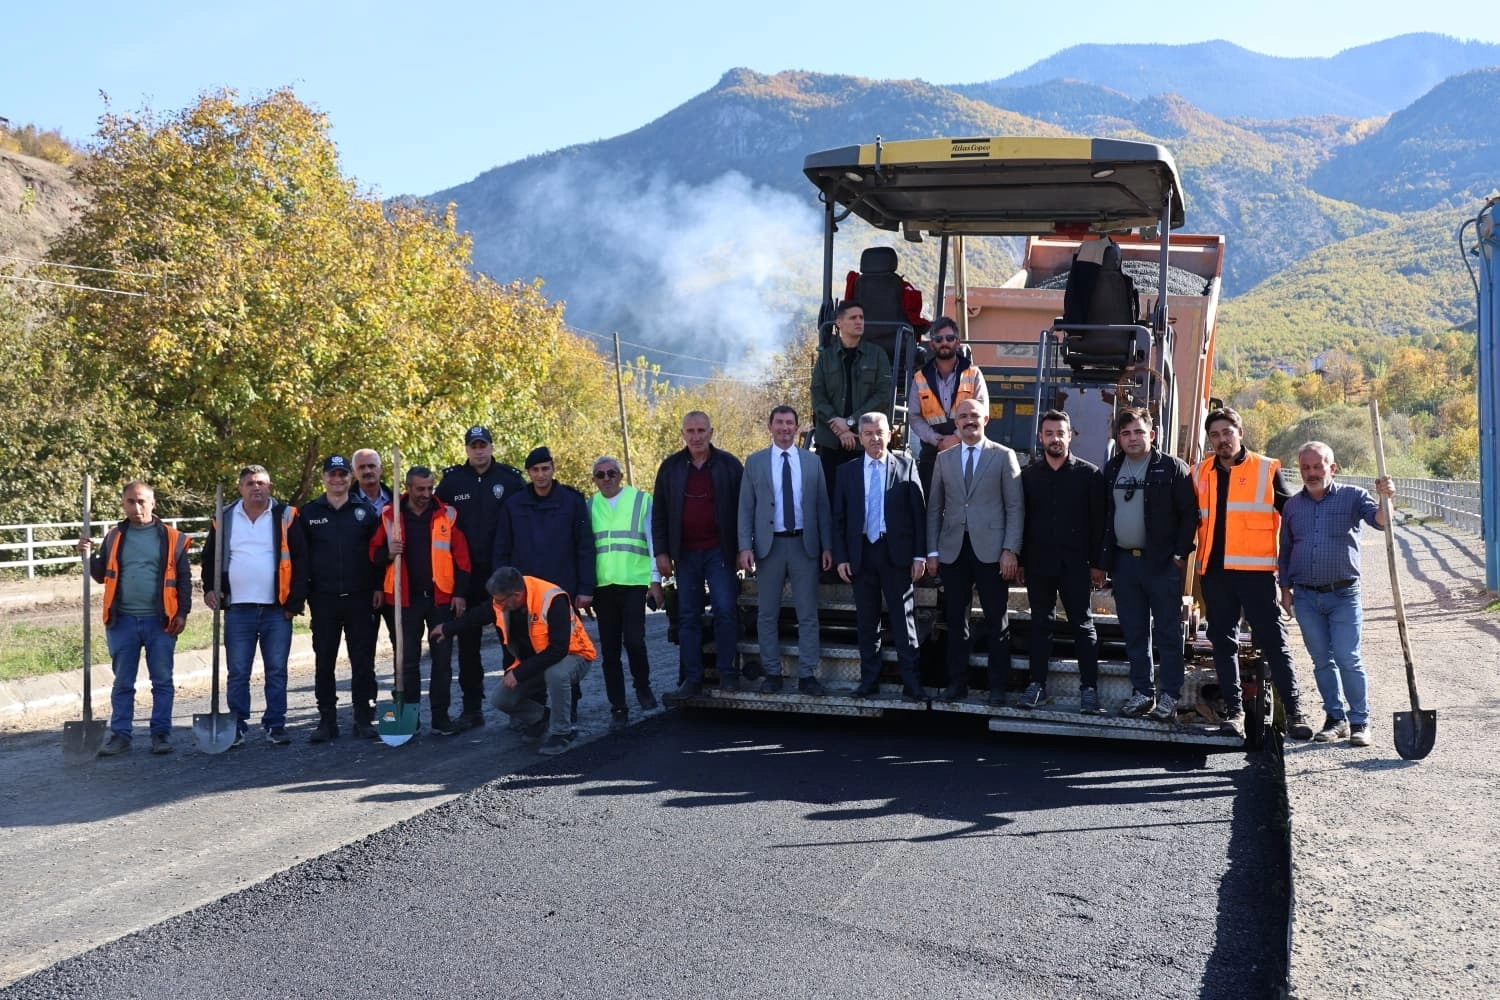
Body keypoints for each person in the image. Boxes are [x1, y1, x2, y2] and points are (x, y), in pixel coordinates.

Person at [1194, 407, 1314, 740]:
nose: (1222, 440)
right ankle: (1233, 713)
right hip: (1215, 574)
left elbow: (1295, 515)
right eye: (1215, 435)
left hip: (1256, 573)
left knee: (1274, 642)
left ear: (1240, 433)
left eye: (1227, 432)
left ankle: (1295, 713)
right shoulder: (1200, 472)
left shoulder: (1266, 469)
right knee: (1223, 643)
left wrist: (1296, 570)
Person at [1278, 442, 1395, 748]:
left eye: (1317, 466)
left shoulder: (1353, 496)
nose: (1311, 473)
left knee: (1347, 657)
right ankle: (1335, 719)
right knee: (1321, 661)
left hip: (1343, 594)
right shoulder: (1292, 506)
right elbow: (1286, 550)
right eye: (1305, 467)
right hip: (1305, 597)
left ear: (1332, 467)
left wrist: (1386, 498)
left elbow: (1380, 522)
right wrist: (1285, 590)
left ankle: (1360, 722)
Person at [432, 567, 597, 756]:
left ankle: (562, 732)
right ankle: (542, 718)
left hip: (575, 655)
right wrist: (448, 629)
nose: (497, 604)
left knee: (556, 674)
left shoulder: (552, 599)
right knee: (501, 699)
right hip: (540, 660)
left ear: (517, 596)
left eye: (500, 600)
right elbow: (478, 615)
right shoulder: (504, 599)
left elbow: (558, 650)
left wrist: (519, 673)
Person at [1100, 407, 1199, 722]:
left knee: (1168, 632)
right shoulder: (1112, 468)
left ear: (1152, 435)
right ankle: (1143, 692)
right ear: (1119, 438)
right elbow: (1104, 517)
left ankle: (1170, 695)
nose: (1132, 438)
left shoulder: (1172, 468)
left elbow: (1190, 514)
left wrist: (1179, 555)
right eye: (1126, 433)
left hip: (1161, 565)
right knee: (1134, 632)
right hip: (1124, 564)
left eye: (1139, 432)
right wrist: (1103, 562)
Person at [80, 481, 192, 756]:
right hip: (122, 621)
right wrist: (88, 556)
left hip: (161, 621)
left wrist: (182, 613)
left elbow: (184, 580)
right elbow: (100, 575)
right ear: (123, 503)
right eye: (131, 501)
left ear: (153, 503)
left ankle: (161, 734)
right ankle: (121, 736)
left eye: (142, 501)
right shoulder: (114, 536)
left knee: (162, 681)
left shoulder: (173, 538)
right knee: (123, 682)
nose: (137, 507)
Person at [201, 465, 308, 746]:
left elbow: (301, 560)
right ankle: (237, 726)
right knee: (238, 671)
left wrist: (294, 603)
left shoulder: (286, 516)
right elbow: (209, 557)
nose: (256, 487)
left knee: (276, 670)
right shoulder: (224, 517)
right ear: (241, 488)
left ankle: (276, 724)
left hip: (277, 608)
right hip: (238, 609)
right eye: (250, 483)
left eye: (261, 483)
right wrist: (210, 588)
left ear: (270, 487)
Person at [925, 398, 1023, 704]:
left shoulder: (1003, 456)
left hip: (993, 552)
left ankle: (997, 687)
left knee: (996, 620)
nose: (969, 420)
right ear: (956, 422)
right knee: (956, 621)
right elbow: (934, 508)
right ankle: (957, 685)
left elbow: (1015, 507)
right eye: (963, 416)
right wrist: (932, 550)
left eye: (974, 415)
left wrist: (1010, 549)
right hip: (953, 550)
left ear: (986, 419)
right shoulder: (944, 459)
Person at [738, 405, 834, 694]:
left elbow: (823, 507)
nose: (784, 428)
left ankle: (807, 675)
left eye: (789, 423)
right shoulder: (755, 462)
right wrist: (745, 546)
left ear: (797, 427)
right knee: (767, 614)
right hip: (770, 547)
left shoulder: (812, 462)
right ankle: (772, 673)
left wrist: (828, 546)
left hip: (805, 545)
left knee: (808, 614)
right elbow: (746, 508)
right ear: (770, 427)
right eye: (779, 422)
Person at [369, 465, 472, 736]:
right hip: (405, 602)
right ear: (408, 488)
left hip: (441, 600)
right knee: (406, 662)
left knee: (442, 662)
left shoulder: (447, 514)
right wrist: (388, 553)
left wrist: (460, 594)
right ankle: (408, 721)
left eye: (430, 488)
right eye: (420, 489)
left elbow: (462, 559)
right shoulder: (390, 516)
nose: (426, 494)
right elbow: (373, 555)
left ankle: (440, 719)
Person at [437, 425, 526, 731]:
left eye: (483, 445)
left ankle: (517, 707)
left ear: (491, 446)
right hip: (466, 579)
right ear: (466, 449)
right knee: (468, 647)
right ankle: (472, 708)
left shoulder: (510, 480)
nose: (479, 450)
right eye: (473, 446)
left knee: (511, 643)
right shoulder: (452, 482)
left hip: (503, 576)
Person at [833, 412, 927, 699]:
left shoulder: (906, 465)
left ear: (890, 435)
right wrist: (842, 557)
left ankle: (912, 683)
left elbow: (919, 515)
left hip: (895, 554)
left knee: (903, 622)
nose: (875, 438)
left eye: (880, 433)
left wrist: (919, 556)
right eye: (868, 434)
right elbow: (839, 519)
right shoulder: (846, 472)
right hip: (861, 554)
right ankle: (868, 681)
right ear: (860, 438)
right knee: (867, 622)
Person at [651, 411, 745, 698]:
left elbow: (745, 510)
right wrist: (662, 552)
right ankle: (692, 678)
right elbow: (659, 514)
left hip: (720, 552)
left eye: (701, 430)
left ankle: (728, 674)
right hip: (686, 554)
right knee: (688, 616)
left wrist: (743, 548)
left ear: (711, 433)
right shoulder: (670, 468)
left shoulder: (730, 465)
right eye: (690, 431)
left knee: (725, 611)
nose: (696, 437)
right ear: (683, 434)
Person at [1018, 409, 1105, 712]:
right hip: (1038, 563)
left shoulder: (1090, 475)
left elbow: (1099, 523)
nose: (1055, 438)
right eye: (1049, 433)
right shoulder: (1028, 476)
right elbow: (1022, 521)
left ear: (1070, 435)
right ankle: (1036, 685)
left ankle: (1089, 689)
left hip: (1076, 565)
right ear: (1041, 437)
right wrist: (1020, 561)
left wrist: (1098, 564)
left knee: (1082, 625)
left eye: (1060, 433)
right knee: (1040, 623)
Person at [299, 455, 381, 742]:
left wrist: (377, 587)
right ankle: (327, 721)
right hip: (324, 599)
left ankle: (363, 718)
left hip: (360, 597)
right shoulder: (308, 513)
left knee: (362, 661)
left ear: (350, 477)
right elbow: (301, 558)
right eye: (332, 474)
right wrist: (302, 594)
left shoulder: (365, 512)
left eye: (343, 474)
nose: (338, 479)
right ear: (324, 477)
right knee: (325, 661)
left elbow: (376, 555)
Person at [588, 455, 663, 730]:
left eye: (611, 473)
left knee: (634, 641)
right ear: (594, 480)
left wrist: (655, 580)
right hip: (603, 587)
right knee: (609, 650)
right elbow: (585, 550)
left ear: (620, 476)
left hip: (633, 582)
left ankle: (642, 687)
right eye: (600, 475)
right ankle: (618, 705)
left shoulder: (641, 500)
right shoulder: (589, 506)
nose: (606, 479)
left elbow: (653, 542)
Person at [493, 446, 595, 611]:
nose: (540, 475)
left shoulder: (572, 501)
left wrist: (586, 589)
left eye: (545, 469)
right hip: (525, 591)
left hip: (563, 588)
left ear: (553, 468)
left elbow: (585, 547)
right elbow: (502, 550)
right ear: (529, 472)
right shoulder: (513, 505)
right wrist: (504, 588)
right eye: (535, 470)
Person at [811, 300, 894, 489]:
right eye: (853, 318)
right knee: (830, 498)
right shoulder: (826, 358)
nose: (859, 322)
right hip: (830, 443)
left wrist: (850, 422)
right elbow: (817, 395)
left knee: (863, 497)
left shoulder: (877, 355)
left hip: (866, 443)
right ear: (839, 323)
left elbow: (883, 396)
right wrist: (840, 429)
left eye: (861, 318)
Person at [909, 316, 989, 492]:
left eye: (950, 338)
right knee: (930, 503)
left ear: (958, 342)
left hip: (967, 450)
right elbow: (914, 416)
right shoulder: (920, 377)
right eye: (938, 339)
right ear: (932, 344)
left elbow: (982, 411)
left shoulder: (974, 374)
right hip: (931, 452)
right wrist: (934, 439)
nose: (944, 342)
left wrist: (956, 438)